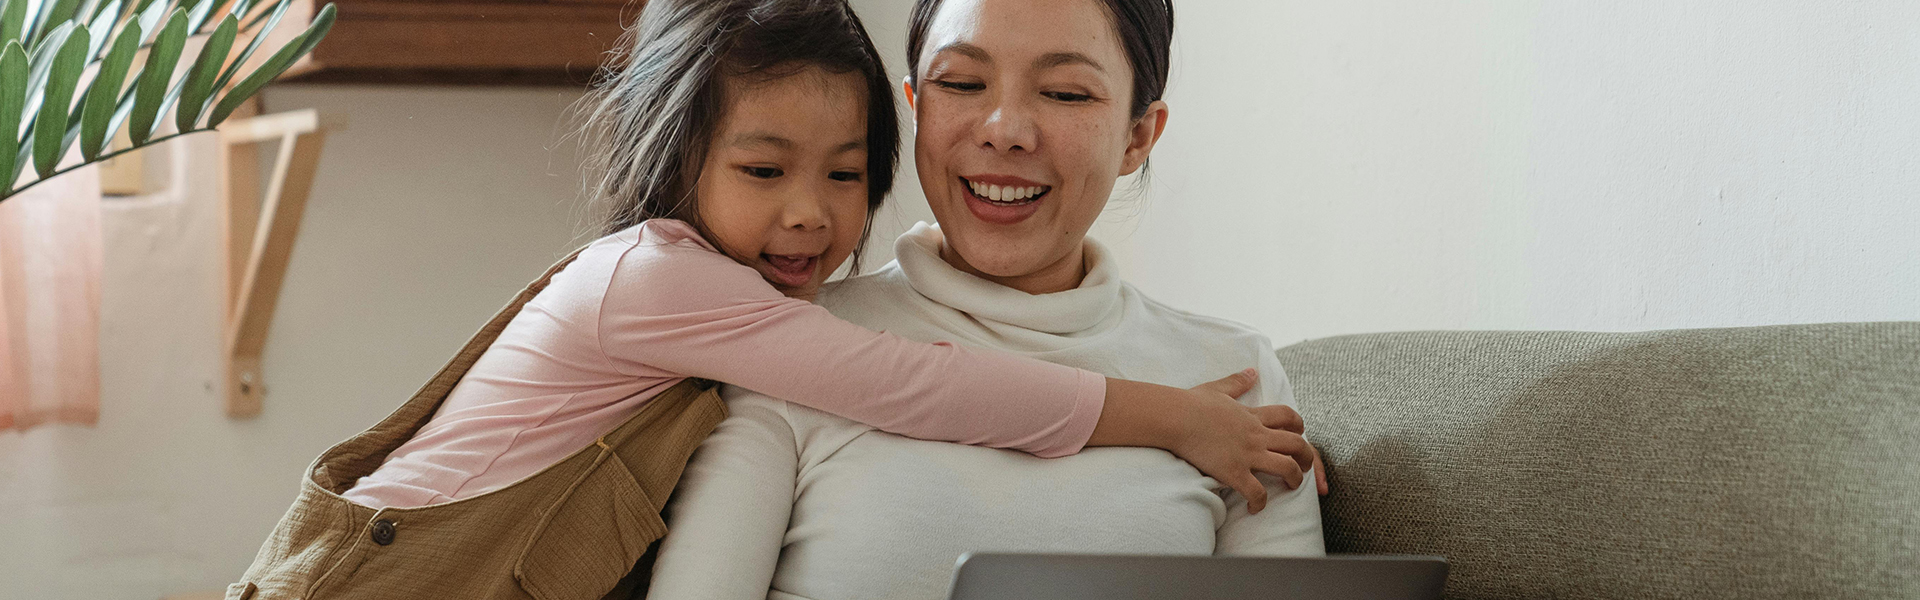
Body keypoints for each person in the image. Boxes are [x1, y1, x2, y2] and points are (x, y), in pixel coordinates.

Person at [228, 0, 1315, 598]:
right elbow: (917, 384)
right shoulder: (700, 302)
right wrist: (1172, 419)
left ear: (1140, 133)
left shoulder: (1241, 374)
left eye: (844, 175)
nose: (809, 216)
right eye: (763, 171)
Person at [645, 0, 1326, 598]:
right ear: (915, 109)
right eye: (962, 83)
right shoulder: (788, 343)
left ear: (1138, 135)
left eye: (1065, 93)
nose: (1005, 129)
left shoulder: (1234, 381)